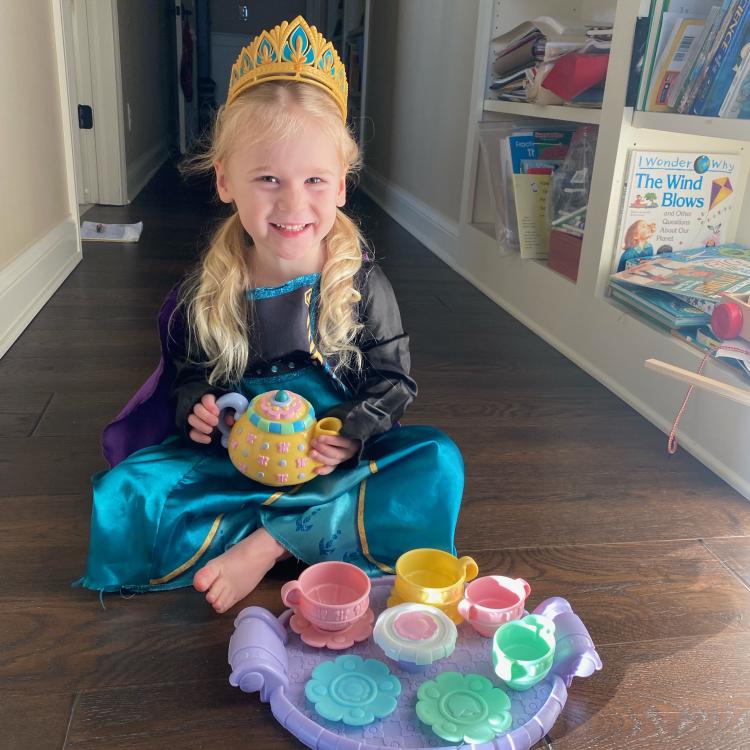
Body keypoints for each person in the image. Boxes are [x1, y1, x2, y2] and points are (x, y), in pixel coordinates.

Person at [75, 17, 464, 614]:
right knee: (126, 492)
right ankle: (313, 536)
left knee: (436, 462)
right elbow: (189, 376)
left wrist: (352, 429)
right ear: (227, 180)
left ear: (340, 186)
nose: (292, 203)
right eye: (267, 179)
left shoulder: (361, 282)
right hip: (241, 465)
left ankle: (265, 545)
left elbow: (393, 383)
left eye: (314, 179)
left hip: (330, 467)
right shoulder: (210, 289)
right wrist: (200, 409)